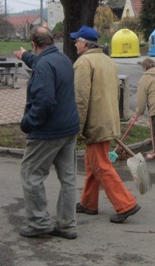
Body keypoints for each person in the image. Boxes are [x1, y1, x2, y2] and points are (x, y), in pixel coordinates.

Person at [13, 26, 80, 239]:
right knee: (68, 178)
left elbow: (44, 102)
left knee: (30, 174)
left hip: (49, 131)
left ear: (34, 43)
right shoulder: (63, 59)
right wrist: (25, 56)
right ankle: (67, 225)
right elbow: (42, 63)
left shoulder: (44, 65)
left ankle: (39, 222)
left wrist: (28, 123)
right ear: (51, 40)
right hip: (69, 128)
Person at [72, 25, 141, 223]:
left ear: (84, 43)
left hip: (95, 123)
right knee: (92, 163)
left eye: (77, 41)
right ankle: (88, 203)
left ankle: (126, 204)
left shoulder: (83, 62)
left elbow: (81, 98)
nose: (75, 44)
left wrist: (77, 128)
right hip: (107, 120)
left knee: (101, 166)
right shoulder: (108, 61)